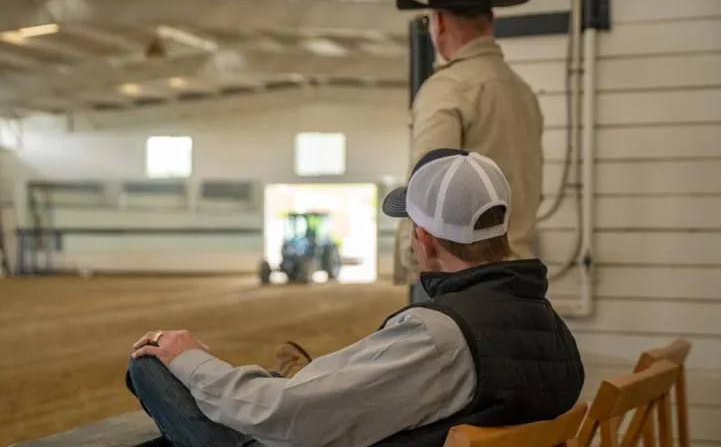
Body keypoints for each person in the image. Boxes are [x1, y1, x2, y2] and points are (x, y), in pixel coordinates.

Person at [125, 149, 584, 447]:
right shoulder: (547, 324)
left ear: (424, 240)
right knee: (267, 385)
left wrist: (192, 361)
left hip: (307, 430)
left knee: (151, 366)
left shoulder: (439, 334)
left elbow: (286, 415)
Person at [394, 0, 545, 302]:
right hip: (519, 277)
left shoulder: (447, 89)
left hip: (460, 281)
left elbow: (428, 191)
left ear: (439, 22)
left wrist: (413, 257)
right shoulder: (522, 93)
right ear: (490, 19)